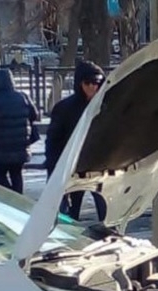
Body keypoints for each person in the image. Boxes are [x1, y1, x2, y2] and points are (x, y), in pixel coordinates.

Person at [45, 60, 107, 221]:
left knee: (106, 214)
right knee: (71, 215)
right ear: (80, 83)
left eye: (97, 83)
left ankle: (110, 234)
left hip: (99, 167)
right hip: (74, 168)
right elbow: (54, 143)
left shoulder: (107, 106)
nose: (92, 87)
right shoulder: (65, 108)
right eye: (88, 83)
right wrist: (54, 171)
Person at [0, 69, 40, 194]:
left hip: (0, 149)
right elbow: (34, 115)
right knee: (17, 175)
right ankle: (18, 199)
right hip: (20, 147)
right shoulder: (23, 97)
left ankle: (10, 197)